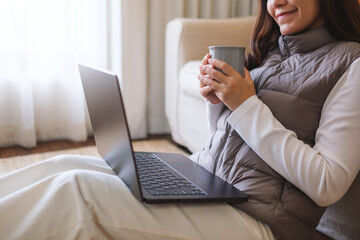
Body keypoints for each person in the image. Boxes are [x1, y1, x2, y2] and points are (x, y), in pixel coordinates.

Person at [0, 0, 359, 239]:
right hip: (212, 187)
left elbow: (328, 182)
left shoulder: (351, 64)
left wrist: (246, 105)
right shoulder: (273, 50)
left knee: (76, 191)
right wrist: (219, 103)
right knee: (63, 164)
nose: (276, 2)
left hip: (259, 223)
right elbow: (239, 144)